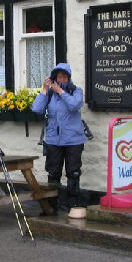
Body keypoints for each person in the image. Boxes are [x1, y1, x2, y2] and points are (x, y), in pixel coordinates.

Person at [31, 63, 86, 211]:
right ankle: (52, 203)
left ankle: (73, 203)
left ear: (69, 78)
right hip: (53, 140)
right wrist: (45, 89)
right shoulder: (50, 94)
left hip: (73, 140)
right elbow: (36, 109)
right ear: (54, 78)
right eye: (59, 77)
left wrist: (61, 92)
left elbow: (75, 105)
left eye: (64, 77)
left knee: (73, 172)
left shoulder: (76, 91)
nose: (61, 79)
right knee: (53, 172)